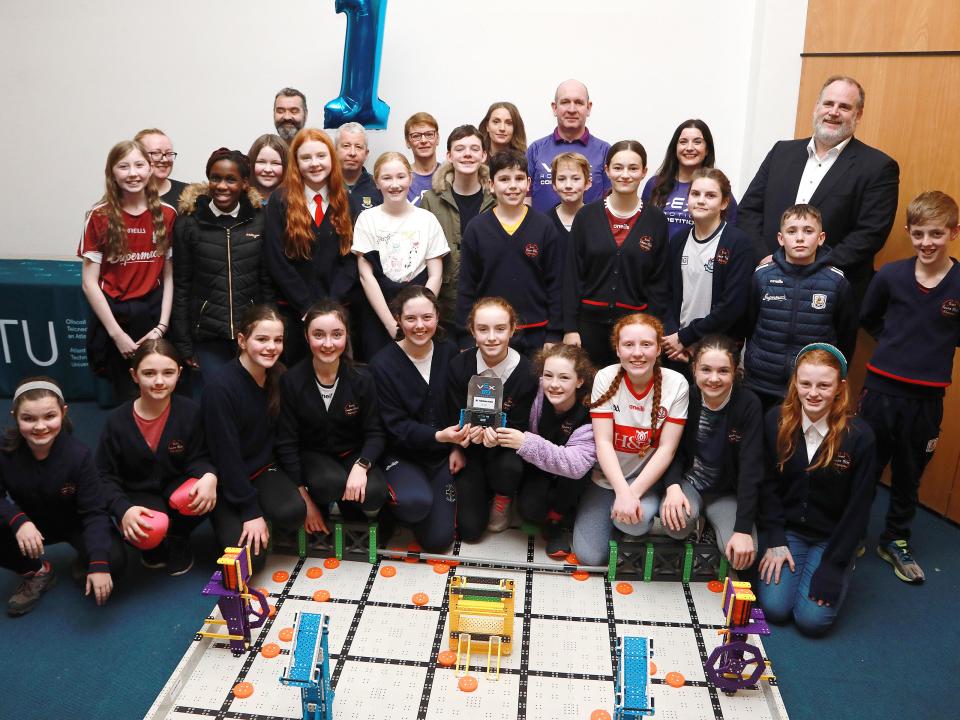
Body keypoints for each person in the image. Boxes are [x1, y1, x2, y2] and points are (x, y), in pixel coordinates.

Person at [859, 191, 960, 584]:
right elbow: (869, 317)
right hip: (881, 390)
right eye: (919, 234)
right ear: (908, 232)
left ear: (953, 232)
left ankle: (895, 539)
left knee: (909, 472)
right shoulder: (891, 276)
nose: (927, 242)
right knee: (865, 467)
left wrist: (928, 349)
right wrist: (896, 345)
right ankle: (852, 536)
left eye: (936, 233)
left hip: (927, 397)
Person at [737, 75, 900, 302]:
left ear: (858, 114)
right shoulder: (781, 152)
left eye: (844, 107)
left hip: (828, 293)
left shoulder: (878, 167)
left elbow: (870, 234)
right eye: (828, 103)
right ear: (816, 107)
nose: (833, 112)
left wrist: (811, 267)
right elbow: (748, 211)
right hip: (767, 284)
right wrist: (765, 259)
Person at [757, 344, 875, 637]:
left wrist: (835, 565)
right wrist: (774, 537)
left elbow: (858, 510)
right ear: (794, 382)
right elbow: (767, 485)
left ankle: (842, 565)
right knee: (775, 609)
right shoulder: (775, 421)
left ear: (840, 387)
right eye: (805, 383)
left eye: (824, 385)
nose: (813, 393)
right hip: (790, 532)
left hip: (832, 538)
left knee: (811, 621)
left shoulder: (859, 437)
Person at [571, 314, 688, 567]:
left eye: (646, 345)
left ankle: (636, 516)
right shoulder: (605, 377)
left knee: (635, 521)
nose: (637, 353)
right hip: (608, 479)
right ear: (617, 349)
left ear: (658, 349)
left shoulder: (676, 383)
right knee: (589, 556)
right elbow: (602, 443)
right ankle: (616, 517)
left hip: (647, 481)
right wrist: (622, 492)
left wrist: (632, 493)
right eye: (629, 345)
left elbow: (667, 449)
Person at [0, 378, 125, 615]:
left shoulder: (79, 456)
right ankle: (38, 572)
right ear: (15, 415)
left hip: (74, 523)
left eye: (49, 416)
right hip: (32, 525)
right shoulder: (4, 451)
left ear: (63, 412)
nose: (40, 426)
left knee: (114, 562)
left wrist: (98, 563)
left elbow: (95, 511)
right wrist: (18, 521)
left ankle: (84, 560)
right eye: (28, 418)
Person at [96, 340, 217, 576]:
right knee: (150, 531)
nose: (159, 381)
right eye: (149, 373)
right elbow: (103, 475)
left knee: (204, 489)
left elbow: (199, 457)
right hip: (137, 493)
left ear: (179, 374)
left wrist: (209, 475)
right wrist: (123, 510)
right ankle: (153, 545)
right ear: (134, 375)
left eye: (168, 372)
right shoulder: (116, 422)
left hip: (175, 487)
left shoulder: (190, 411)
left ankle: (178, 535)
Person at [202, 305, 305, 573]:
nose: (271, 347)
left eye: (278, 340)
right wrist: (250, 512)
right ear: (242, 341)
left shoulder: (279, 375)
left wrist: (300, 488)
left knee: (293, 512)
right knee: (250, 562)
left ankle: (264, 513)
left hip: (261, 469)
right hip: (227, 480)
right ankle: (240, 518)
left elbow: (285, 437)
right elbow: (226, 456)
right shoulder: (220, 388)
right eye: (262, 339)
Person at [369, 287, 468, 551]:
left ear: (437, 316)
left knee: (438, 541)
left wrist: (457, 446)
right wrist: (439, 436)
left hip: (440, 456)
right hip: (401, 454)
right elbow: (394, 426)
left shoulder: (449, 350)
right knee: (414, 505)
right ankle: (394, 507)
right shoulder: (382, 364)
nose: (420, 326)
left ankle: (425, 500)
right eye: (411, 319)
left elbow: (460, 404)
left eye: (427, 317)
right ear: (398, 320)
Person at [79, 140, 175, 402]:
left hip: (153, 316)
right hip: (116, 316)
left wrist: (162, 326)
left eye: (139, 165)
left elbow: (168, 275)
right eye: (124, 166)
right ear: (112, 173)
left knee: (158, 389)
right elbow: (89, 282)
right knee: (127, 393)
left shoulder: (167, 214)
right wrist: (116, 334)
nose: (133, 173)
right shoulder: (99, 216)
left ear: (150, 168)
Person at [276, 301, 387, 528]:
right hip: (314, 456)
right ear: (306, 337)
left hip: (351, 452)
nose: (328, 344)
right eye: (319, 335)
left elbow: (376, 432)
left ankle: (351, 508)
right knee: (328, 484)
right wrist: (305, 502)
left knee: (374, 492)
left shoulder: (362, 378)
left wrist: (361, 465)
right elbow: (286, 443)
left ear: (346, 336)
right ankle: (325, 502)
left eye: (337, 334)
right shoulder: (291, 381)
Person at [562, 140, 670, 368]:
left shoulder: (656, 220)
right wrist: (570, 328)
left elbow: (659, 283)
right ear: (607, 170)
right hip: (588, 328)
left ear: (644, 173)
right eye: (618, 167)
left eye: (633, 168)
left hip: (635, 332)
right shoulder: (586, 216)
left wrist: (652, 330)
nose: (625, 175)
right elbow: (572, 276)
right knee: (589, 394)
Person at [660, 336, 762, 571]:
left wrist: (743, 529)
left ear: (735, 372)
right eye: (706, 369)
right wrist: (672, 486)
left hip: (725, 492)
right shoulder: (686, 396)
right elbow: (672, 449)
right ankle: (695, 522)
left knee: (743, 557)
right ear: (694, 368)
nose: (714, 379)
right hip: (690, 483)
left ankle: (709, 525)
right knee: (675, 525)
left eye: (723, 371)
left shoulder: (748, 404)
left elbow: (751, 469)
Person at [171, 148, 272, 385]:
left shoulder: (260, 219)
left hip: (251, 332)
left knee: (250, 398)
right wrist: (183, 344)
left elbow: (266, 281)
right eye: (215, 178)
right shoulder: (188, 222)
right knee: (216, 399)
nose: (222, 186)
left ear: (245, 183)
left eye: (231, 179)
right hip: (207, 335)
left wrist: (270, 330)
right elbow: (181, 285)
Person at [743, 204, 858, 409]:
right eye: (792, 231)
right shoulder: (762, 276)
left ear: (821, 238)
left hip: (811, 390)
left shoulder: (837, 282)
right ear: (780, 238)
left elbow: (846, 336)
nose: (799, 238)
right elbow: (749, 325)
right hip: (762, 383)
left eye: (808, 231)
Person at [445, 298, 539, 539]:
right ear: (472, 331)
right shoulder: (458, 366)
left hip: (505, 451)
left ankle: (503, 498)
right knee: (470, 531)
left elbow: (521, 424)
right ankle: (479, 492)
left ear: (512, 329)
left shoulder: (527, 372)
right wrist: (460, 441)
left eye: (500, 329)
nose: (492, 337)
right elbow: (453, 414)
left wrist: (498, 437)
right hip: (470, 449)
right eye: (483, 329)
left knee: (509, 467)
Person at [262, 128, 356, 365]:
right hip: (294, 313)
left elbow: (352, 259)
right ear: (296, 162)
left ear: (331, 159)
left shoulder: (346, 200)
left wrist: (330, 309)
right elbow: (276, 259)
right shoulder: (280, 200)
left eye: (321, 156)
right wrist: (306, 307)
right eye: (306, 158)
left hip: (336, 314)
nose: (314, 164)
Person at [456, 149, 563, 355]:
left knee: (533, 386)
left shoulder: (544, 226)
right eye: (504, 179)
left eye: (519, 179)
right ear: (492, 185)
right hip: (490, 335)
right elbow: (467, 287)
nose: (513, 186)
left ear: (529, 183)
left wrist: (554, 333)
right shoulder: (476, 228)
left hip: (536, 333)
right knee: (491, 387)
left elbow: (556, 284)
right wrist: (466, 335)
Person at [496, 343, 596, 557]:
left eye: (564, 378)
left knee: (575, 475)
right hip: (538, 468)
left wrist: (526, 442)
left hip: (572, 479)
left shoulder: (589, 409)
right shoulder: (535, 392)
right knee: (531, 510)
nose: (554, 385)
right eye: (548, 376)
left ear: (580, 380)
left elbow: (576, 465)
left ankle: (557, 519)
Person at [352, 152, 448, 358]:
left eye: (401, 176)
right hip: (379, 312)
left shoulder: (427, 219)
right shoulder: (367, 219)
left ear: (410, 179)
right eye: (387, 178)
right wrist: (391, 324)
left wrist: (418, 317)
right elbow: (366, 276)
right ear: (377, 182)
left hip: (419, 311)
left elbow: (435, 275)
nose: (394, 184)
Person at [662, 168, 753, 365]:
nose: (701, 200)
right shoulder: (678, 240)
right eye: (695, 194)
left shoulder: (738, 243)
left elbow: (732, 306)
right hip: (678, 349)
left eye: (710, 195)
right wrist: (674, 337)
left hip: (718, 350)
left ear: (724, 203)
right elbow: (666, 294)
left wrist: (687, 337)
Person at [420, 125, 496, 331]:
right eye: (460, 148)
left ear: (484, 155)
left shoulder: (497, 199)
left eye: (474, 148)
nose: (467, 154)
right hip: (444, 309)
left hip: (491, 306)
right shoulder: (430, 200)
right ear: (449, 156)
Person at [642, 119, 739, 239]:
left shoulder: (718, 187)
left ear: (707, 150)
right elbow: (643, 227)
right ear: (675, 148)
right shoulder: (654, 184)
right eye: (683, 142)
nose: (689, 147)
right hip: (659, 256)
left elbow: (731, 233)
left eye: (697, 142)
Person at [526, 79, 611, 212]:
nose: (572, 109)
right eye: (565, 102)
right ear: (555, 108)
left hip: (590, 232)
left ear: (588, 108)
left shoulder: (604, 151)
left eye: (578, 102)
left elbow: (611, 202)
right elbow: (525, 199)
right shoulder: (535, 150)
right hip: (543, 232)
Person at [336, 122, 383, 211]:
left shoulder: (379, 187)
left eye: (358, 147)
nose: (352, 153)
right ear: (335, 151)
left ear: (366, 154)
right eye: (346, 146)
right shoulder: (324, 186)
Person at [135, 129, 187, 208]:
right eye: (156, 153)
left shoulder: (189, 194)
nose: (165, 159)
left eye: (169, 153)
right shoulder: (127, 196)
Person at [549, 151, 592, 241]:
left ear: (587, 183)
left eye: (575, 179)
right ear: (554, 184)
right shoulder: (544, 222)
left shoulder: (598, 220)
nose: (568, 185)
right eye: (561, 179)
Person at [404, 112, 440, 205]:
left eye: (429, 134)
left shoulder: (450, 175)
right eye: (416, 136)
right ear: (407, 142)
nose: (423, 141)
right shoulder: (400, 177)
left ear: (438, 139)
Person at [247, 134, 289, 205]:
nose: (268, 170)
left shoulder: (296, 201)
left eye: (275, 163)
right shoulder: (240, 201)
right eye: (261, 162)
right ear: (251, 164)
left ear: (286, 166)